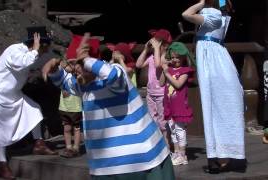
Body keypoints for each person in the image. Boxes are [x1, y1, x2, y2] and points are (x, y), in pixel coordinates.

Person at [42, 33, 175, 180]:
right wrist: (54, 67)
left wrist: (86, 60)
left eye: (80, 64)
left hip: (141, 161)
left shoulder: (117, 72)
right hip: (105, 165)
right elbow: (65, 82)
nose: (76, 69)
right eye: (73, 65)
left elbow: (111, 75)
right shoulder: (83, 85)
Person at [0, 26, 57, 179]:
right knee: (0, 128)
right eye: (44, 47)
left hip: (13, 93)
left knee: (34, 109)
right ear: (37, 44)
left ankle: (39, 144)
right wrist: (35, 49)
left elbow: (46, 59)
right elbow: (22, 63)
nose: (45, 50)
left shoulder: (33, 53)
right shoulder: (15, 51)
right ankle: (2, 164)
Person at [182, 0, 246, 173]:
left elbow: (186, 14)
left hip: (213, 61)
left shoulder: (213, 15)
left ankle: (221, 156)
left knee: (218, 106)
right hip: (214, 58)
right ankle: (218, 156)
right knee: (216, 106)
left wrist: (201, 2)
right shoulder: (217, 15)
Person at [158, 42, 194, 166]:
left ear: (183, 57)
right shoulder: (169, 69)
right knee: (172, 130)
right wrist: (164, 70)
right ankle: (177, 152)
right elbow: (161, 83)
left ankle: (183, 155)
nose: (175, 60)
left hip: (179, 106)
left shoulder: (185, 71)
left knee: (179, 130)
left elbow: (178, 84)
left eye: (177, 57)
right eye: (172, 57)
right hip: (169, 105)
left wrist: (168, 73)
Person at [136, 29, 172, 147]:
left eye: (158, 43)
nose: (154, 46)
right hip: (150, 93)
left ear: (165, 45)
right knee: (153, 118)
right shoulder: (152, 57)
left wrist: (157, 48)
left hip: (161, 94)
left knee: (163, 121)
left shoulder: (165, 57)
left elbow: (158, 65)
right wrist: (146, 49)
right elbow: (138, 65)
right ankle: (159, 144)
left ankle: (167, 143)